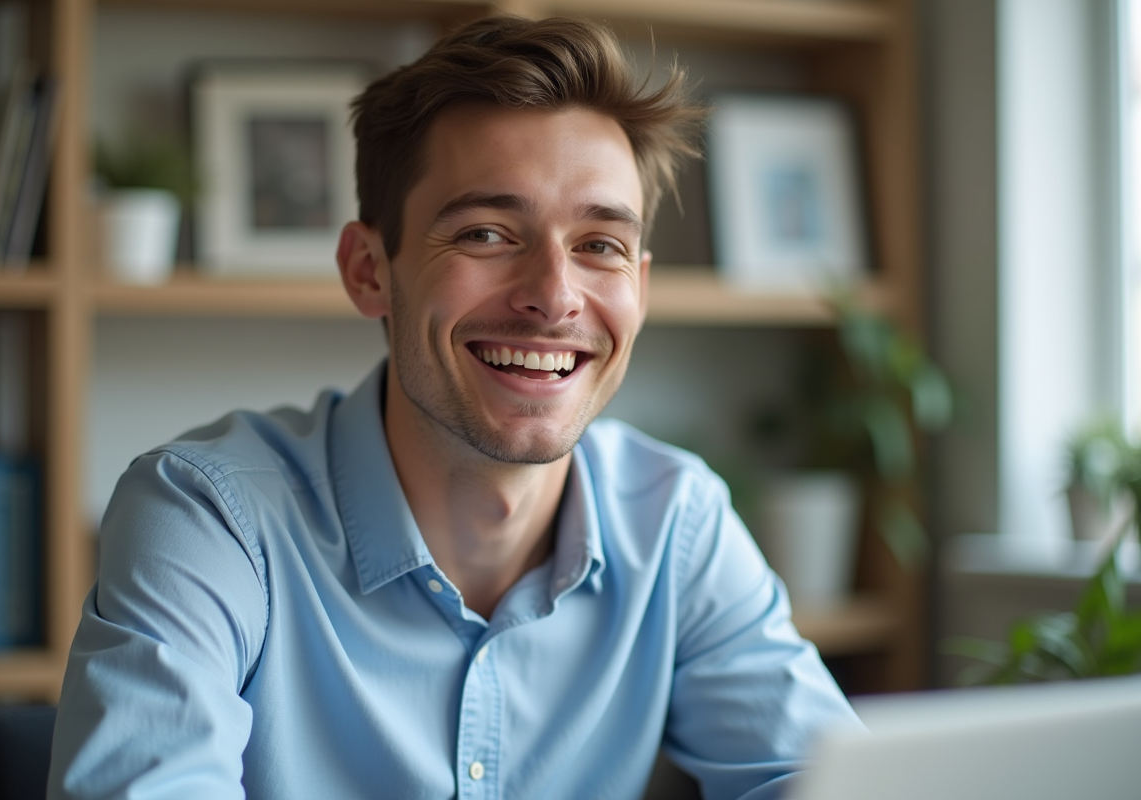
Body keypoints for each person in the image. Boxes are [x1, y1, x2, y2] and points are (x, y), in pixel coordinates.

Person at [49, 15, 860, 800]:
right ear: (369, 270)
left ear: (639, 289)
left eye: (599, 246)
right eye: (485, 234)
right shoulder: (211, 518)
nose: (553, 296)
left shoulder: (677, 524)